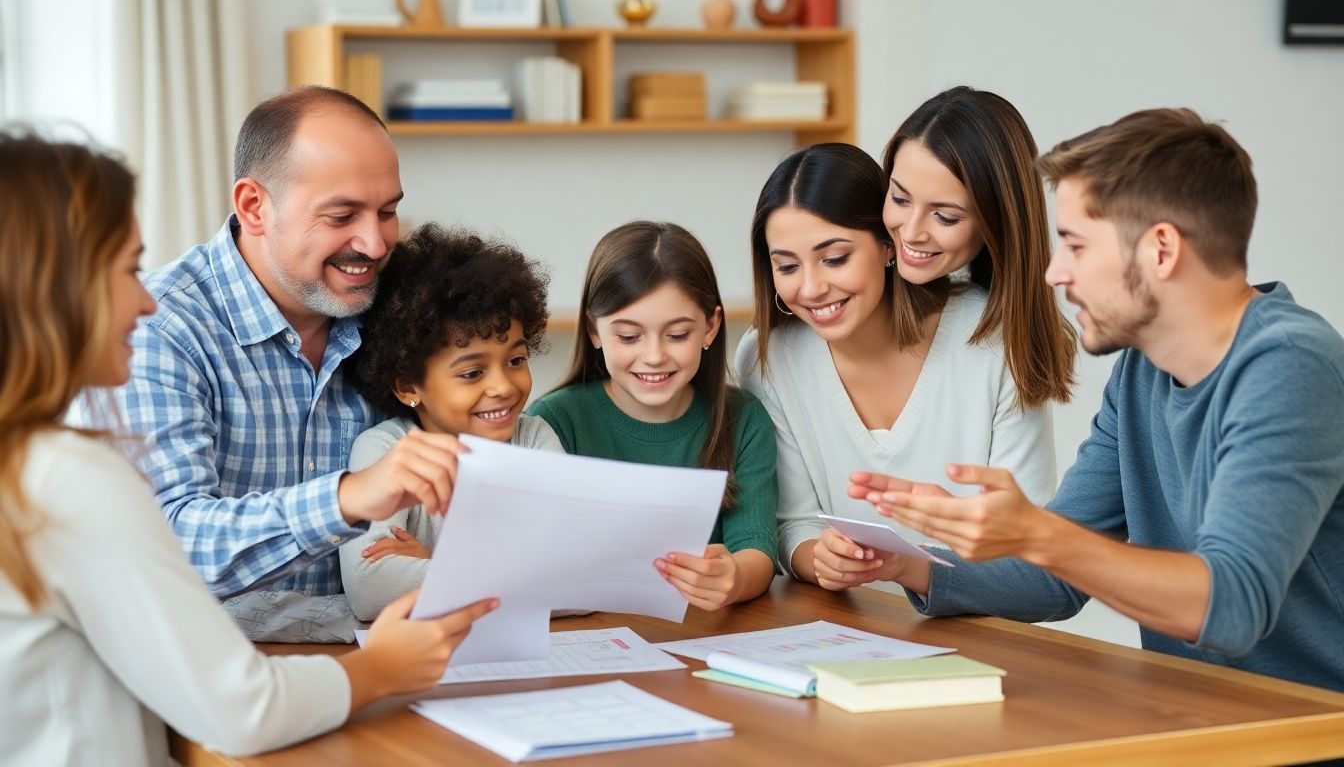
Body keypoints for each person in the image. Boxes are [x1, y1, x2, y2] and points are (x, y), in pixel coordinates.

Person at [0, 130, 498, 765]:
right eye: (125, 269)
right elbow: (240, 707)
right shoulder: (68, 474)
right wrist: (383, 666)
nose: (144, 297)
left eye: (387, 211)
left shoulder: (388, 304)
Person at [851, 108, 1344, 693]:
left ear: (1161, 250)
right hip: (1203, 719)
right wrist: (908, 561)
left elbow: (1231, 603)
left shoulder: (1289, 364)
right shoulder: (1142, 371)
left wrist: (1035, 532)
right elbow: (1056, 581)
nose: (1055, 273)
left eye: (1076, 246)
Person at [91, 86, 468, 639]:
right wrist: (347, 498)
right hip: (221, 670)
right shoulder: (159, 327)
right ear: (254, 207)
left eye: (388, 211)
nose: (375, 242)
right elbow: (167, 542)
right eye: (342, 216)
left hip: (385, 651)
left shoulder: (401, 306)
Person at [734, 87, 1075, 592]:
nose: (909, 232)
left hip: (980, 631)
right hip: (845, 631)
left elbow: (1029, 551)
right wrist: (816, 557)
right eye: (898, 198)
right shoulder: (768, 356)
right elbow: (790, 525)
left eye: (946, 216)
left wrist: (912, 565)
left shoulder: (993, 341)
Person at [529, 221, 778, 611]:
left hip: (700, 637)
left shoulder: (742, 419)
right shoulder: (554, 421)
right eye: (628, 337)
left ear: (710, 327)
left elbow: (756, 551)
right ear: (594, 330)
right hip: (589, 635)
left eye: (677, 335)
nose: (654, 356)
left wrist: (733, 578)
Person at [339, 224, 563, 621]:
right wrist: (524, 575)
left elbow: (587, 580)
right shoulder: (385, 452)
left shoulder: (535, 441)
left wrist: (439, 564)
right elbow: (370, 588)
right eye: (472, 373)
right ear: (409, 385)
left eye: (516, 360)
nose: (503, 387)